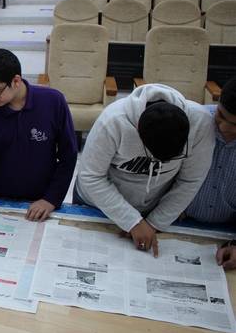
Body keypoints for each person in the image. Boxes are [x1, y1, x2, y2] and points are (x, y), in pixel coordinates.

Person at [75, 83, 215, 257]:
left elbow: (190, 180)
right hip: (97, 204)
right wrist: (132, 221)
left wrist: (154, 223)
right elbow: (91, 177)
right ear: (138, 131)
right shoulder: (113, 121)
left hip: (153, 209)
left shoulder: (200, 122)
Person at [0, 49, 78, 240]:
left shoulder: (53, 101)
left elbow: (68, 156)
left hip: (38, 200)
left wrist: (51, 199)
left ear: (16, 81)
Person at [184, 77, 236, 224]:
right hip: (176, 219)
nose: (224, 128)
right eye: (221, 115)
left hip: (228, 228)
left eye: (235, 125)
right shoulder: (193, 122)